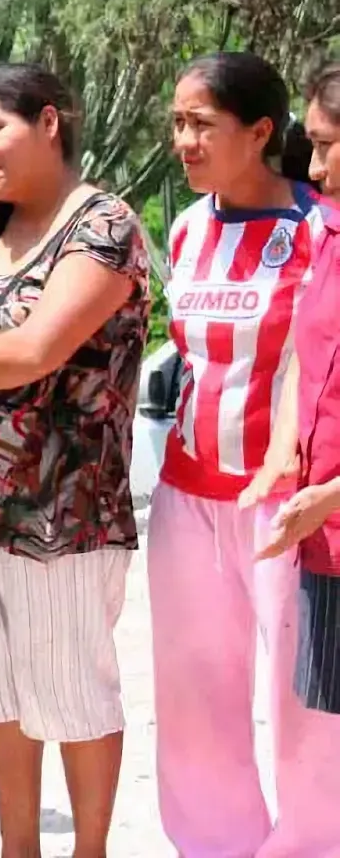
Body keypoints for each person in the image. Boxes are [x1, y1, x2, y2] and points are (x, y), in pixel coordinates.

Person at [0, 64, 148, 858]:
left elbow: (33, 355)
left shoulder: (102, 227)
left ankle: (88, 852)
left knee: (71, 686)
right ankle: (19, 850)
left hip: (61, 505)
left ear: (48, 122)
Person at [145, 52, 340, 856]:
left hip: (285, 508)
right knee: (194, 698)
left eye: (202, 124)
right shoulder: (186, 229)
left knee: (304, 708)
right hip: (185, 496)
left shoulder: (316, 225)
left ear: (261, 132)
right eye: (178, 124)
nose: (184, 141)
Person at [246, 62, 340, 720]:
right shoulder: (329, 233)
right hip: (327, 540)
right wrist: (284, 452)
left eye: (328, 145)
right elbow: (304, 361)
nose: (313, 169)